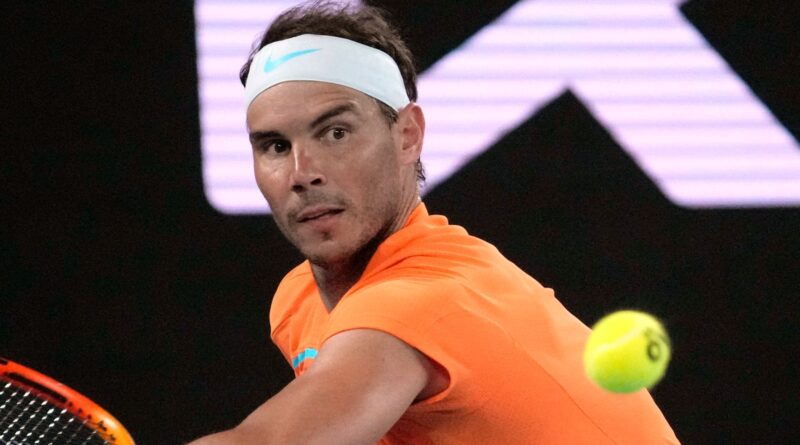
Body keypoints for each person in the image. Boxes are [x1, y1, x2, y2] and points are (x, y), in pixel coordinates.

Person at [189, 1, 681, 444]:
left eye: (336, 133)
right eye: (275, 146)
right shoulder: (299, 301)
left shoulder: (421, 303)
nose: (303, 173)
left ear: (407, 136)